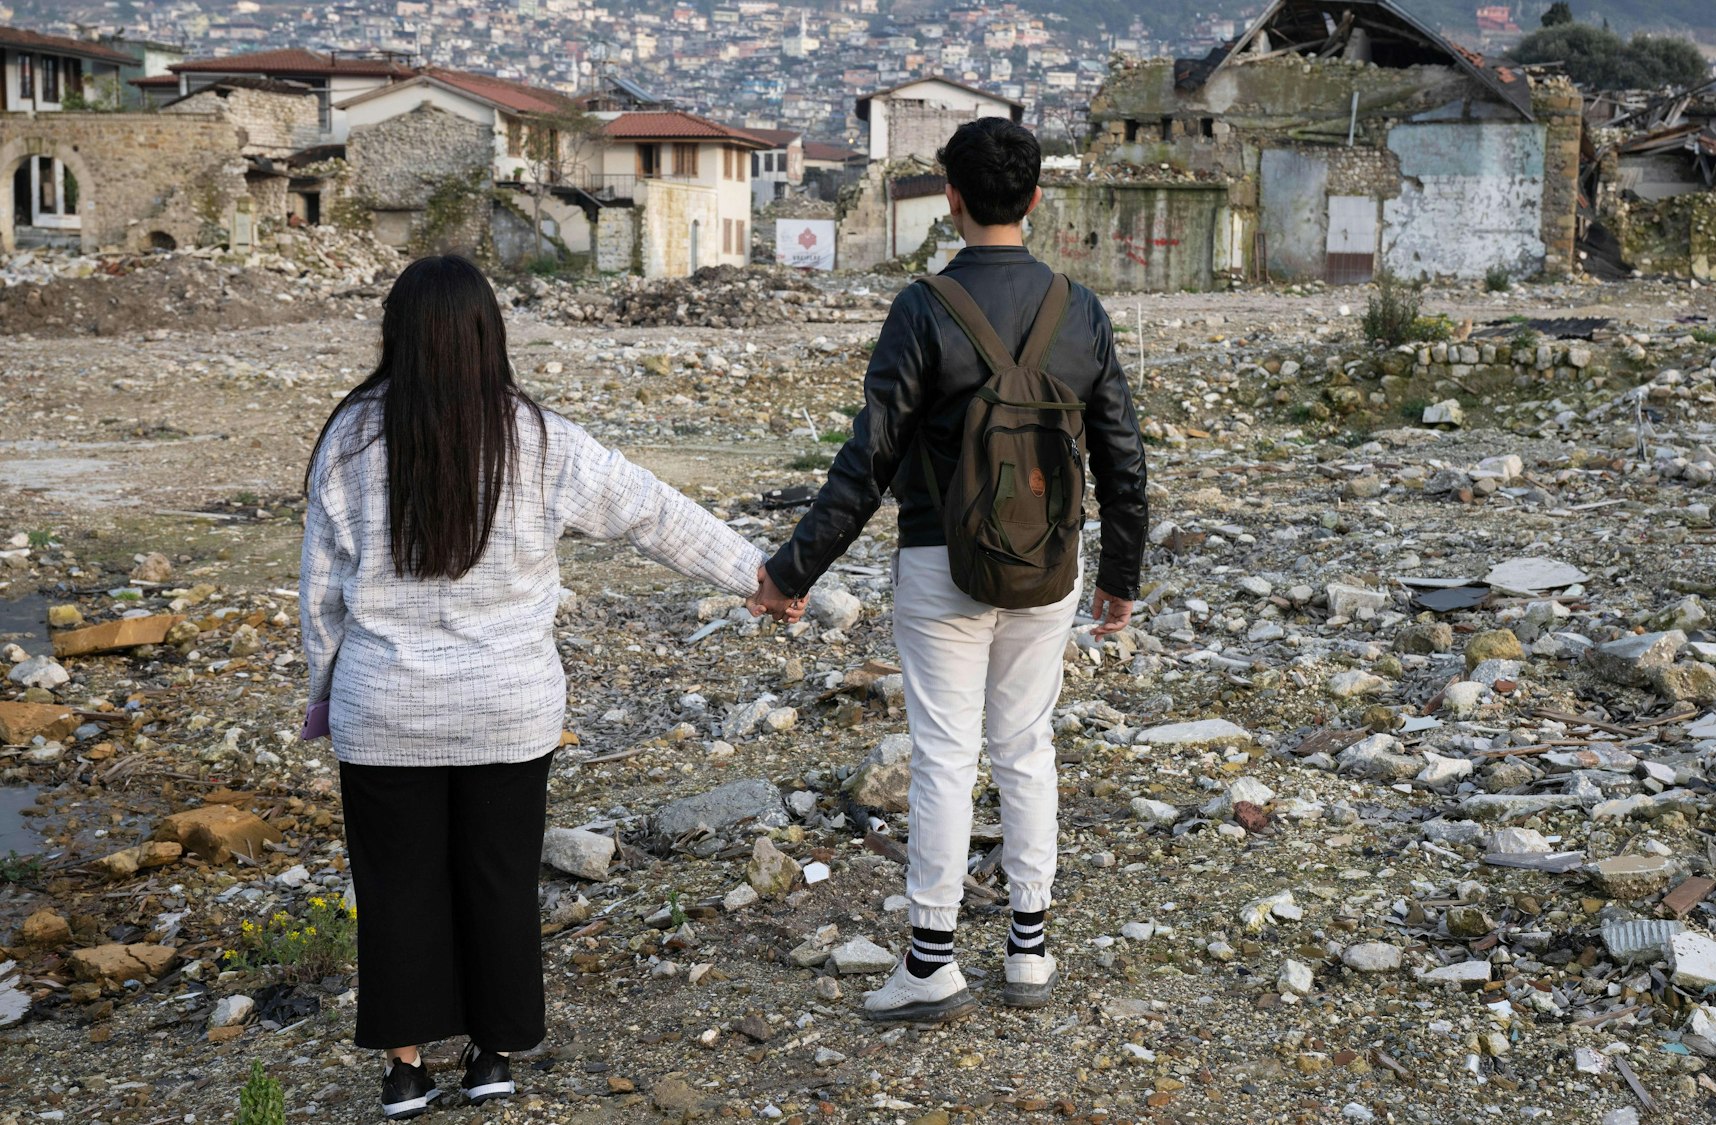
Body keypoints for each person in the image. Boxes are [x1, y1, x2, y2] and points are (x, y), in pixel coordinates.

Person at [299, 254, 804, 1119]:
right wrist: (758, 574)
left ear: (396, 337)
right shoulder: (539, 439)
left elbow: (322, 593)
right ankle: (493, 1053)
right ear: (491, 338)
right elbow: (652, 512)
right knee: (498, 877)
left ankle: (407, 1067)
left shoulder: (348, 440)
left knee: (398, 888)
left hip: (384, 709)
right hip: (508, 708)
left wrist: (324, 693)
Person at [762, 117, 1148, 1021]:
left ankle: (932, 959)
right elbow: (1123, 456)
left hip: (941, 563)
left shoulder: (922, 307)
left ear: (953, 195)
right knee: (1027, 747)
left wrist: (792, 570)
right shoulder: (1079, 309)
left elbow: (868, 460)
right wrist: (1121, 576)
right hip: (1051, 564)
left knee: (944, 752)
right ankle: (1030, 951)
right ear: (1038, 199)